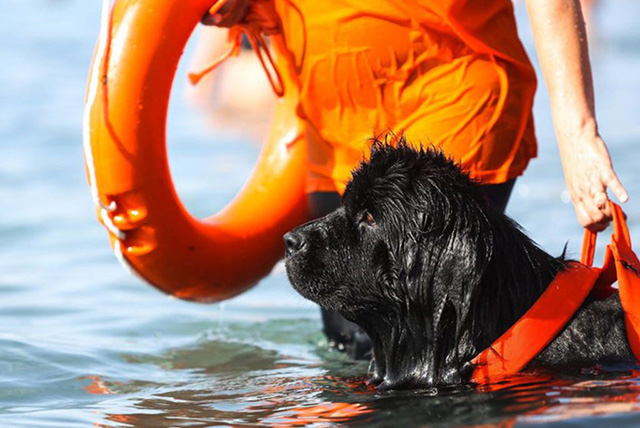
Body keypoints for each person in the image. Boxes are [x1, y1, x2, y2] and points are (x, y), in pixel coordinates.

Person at [201, 0, 628, 357]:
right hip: (331, 115)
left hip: (451, 93)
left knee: (423, 353)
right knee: (351, 349)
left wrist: (578, 130)